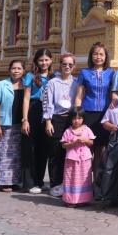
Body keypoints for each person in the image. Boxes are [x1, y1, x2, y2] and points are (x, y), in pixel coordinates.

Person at [75, 42, 114, 179]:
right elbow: (79, 95)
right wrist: (77, 115)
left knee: (100, 149)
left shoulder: (110, 73)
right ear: (91, 56)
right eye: (95, 54)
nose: (98, 57)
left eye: (101, 54)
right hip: (88, 113)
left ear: (106, 56)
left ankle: (96, 182)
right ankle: (83, 181)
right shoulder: (85, 73)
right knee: (87, 148)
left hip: (104, 114)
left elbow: (112, 94)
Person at [43, 53, 78, 197]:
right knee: (55, 152)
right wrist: (48, 121)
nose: (67, 67)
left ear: (74, 67)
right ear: (60, 66)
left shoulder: (76, 82)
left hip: (71, 120)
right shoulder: (53, 83)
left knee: (69, 152)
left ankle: (68, 183)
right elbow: (48, 103)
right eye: (64, 64)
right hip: (56, 119)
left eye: (70, 65)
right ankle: (55, 184)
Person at [21, 48, 55, 194]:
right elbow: (26, 98)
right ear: (36, 61)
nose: (44, 63)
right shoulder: (31, 76)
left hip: (48, 111)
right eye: (41, 60)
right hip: (34, 110)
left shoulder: (55, 76)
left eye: (46, 60)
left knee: (43, 147)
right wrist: (25, 119)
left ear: (51, 60)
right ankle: (29, 183)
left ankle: (39, 181)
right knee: (30, 147)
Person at [0, 59, 25, 193]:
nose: (16, 71)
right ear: (9, 70)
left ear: (23, 71)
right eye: (13, 68)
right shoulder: (0, 85)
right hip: (5, 125)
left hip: (20, 125)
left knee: (17, 155)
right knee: (3, 154)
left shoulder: (26, 85)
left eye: (19, 68)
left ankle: (15, 181)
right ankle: (3, 182)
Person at [61, 107, 95, 207]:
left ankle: (83, 199)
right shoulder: (68, 131)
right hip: (71, 160)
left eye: (79, 118)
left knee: (84, 179)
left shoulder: (87, 130)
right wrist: (73, 143)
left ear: (83, 119)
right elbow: (63, 145)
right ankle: (71, 200)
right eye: (74, 118)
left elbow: (91, 142)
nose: (77, 121)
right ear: (70, 119)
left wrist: (85, 140)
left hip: (85, 159)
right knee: (72, 179)